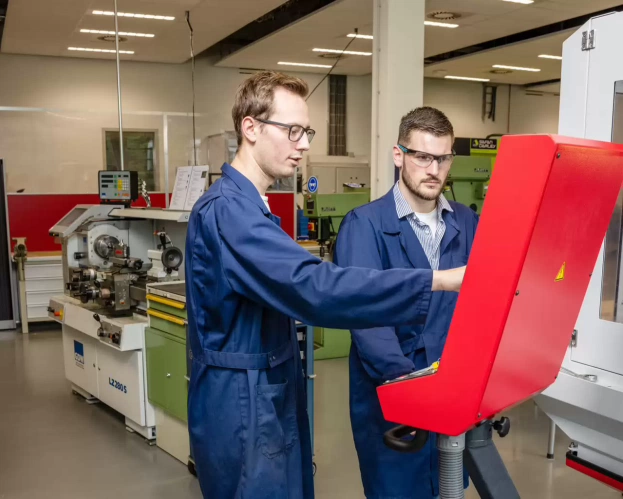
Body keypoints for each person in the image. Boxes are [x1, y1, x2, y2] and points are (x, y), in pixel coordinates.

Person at [185, 73, 467, 499]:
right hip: (242, 401)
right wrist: (439, 280)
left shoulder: (252, 209)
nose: (304, 144)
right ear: (251, 128)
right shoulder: (229, 213)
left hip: (265, 391)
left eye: (307, 132)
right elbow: (316, 287)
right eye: (292, 131)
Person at [333, 106, 479, 499]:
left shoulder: (467, 222)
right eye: (423, 156)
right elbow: (366, 320)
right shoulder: (364, 225)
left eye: (443, 158)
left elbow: (481, 307)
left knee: (449, 487)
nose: (434, 169)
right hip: (394, 401)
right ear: (399, 155)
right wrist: (413, 390)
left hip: (453, 394)